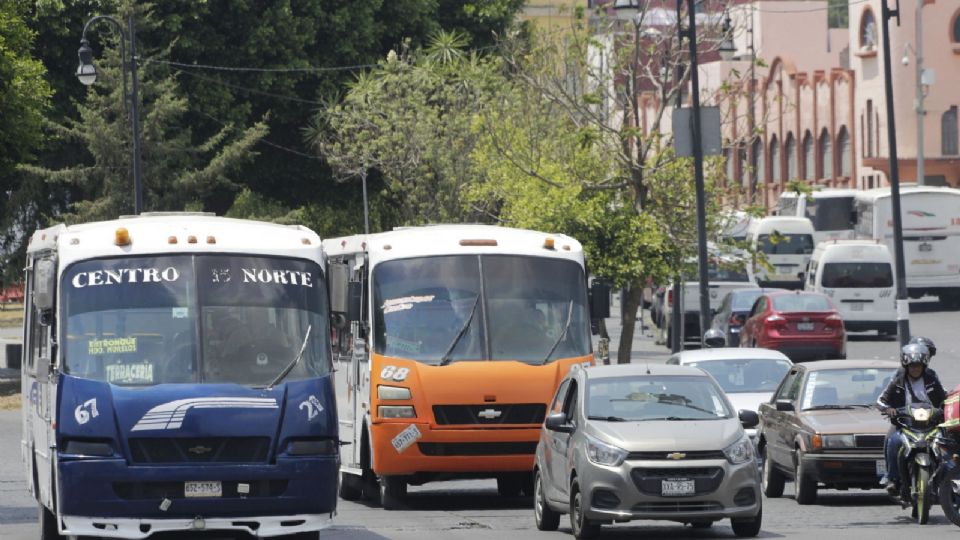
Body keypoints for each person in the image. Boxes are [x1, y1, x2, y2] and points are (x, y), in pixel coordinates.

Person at [876, 342, 946, 496]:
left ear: (924, 366)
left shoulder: (932, 379)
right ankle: (892, 478)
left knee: (947, 442)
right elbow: (881, 400)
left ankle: (948, 479)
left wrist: (943, 411)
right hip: (905, 424)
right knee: (893, 441)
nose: (915, 369)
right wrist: (889, 409)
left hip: (930, 424)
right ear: (906, 366)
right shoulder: (898, 380)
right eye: (912, 366)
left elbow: (945, 399)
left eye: (919, 366)